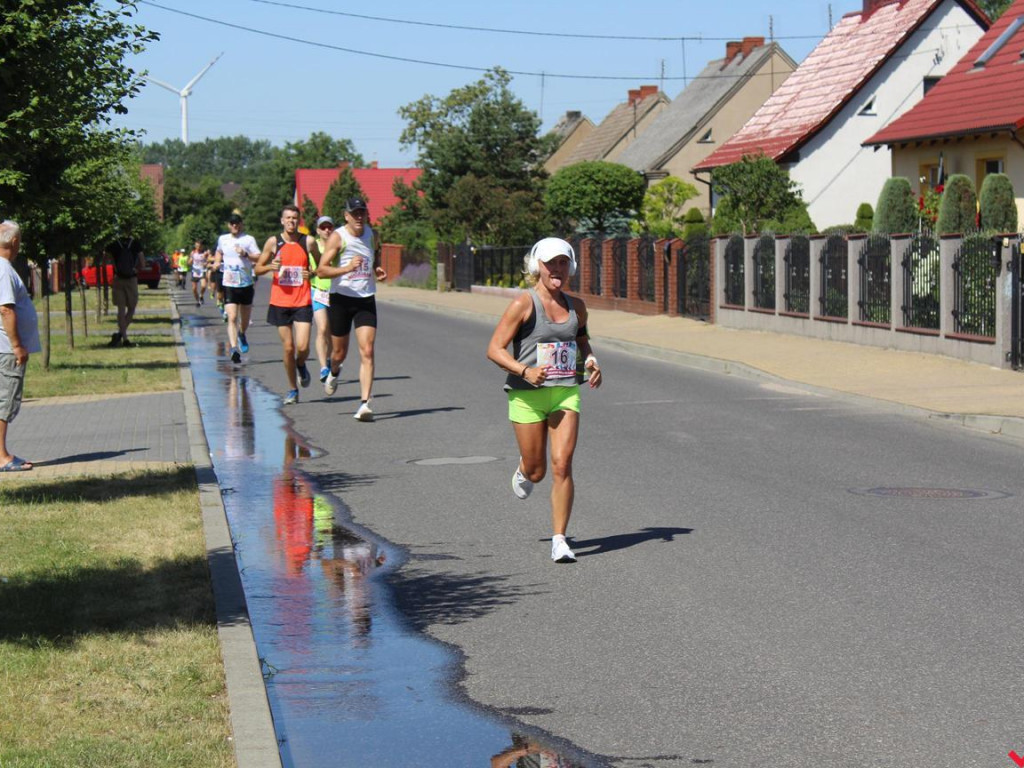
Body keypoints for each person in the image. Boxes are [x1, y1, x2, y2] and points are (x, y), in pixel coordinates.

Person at [486, 237, 602, 564]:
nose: (557, 269)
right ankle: (524, 469)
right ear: (538, 265)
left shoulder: (576, 306)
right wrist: (524, 370)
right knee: (537, 471)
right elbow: (493, 348)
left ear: (571, 267)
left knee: (562, 465)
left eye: (563, 263)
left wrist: (592, 362)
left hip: (565, 392)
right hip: (527, 397)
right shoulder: (523, 304)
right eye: (551, 263)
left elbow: (582, 341)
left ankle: (560, 539)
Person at [316, 198, 388, 421]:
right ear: (346, 216)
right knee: (339, 353)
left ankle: (365, 404)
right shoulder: (338, 237)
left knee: (367, 350)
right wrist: (347, 268)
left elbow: (375, 253)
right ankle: (334, 371)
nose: (359, 217)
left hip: (365, 299)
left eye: (362, 213)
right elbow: (321, 270)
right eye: (354, 213)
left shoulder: (372, 234)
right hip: (341, 299)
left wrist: (376, 268)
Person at [254, 204, 318, 405]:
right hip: (280, 301)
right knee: (289, 347)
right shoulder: (273, 242)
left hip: (302, 300)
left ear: (299, 221)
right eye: (287, 218)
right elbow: (256, 269)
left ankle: (301, 364)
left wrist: (313, 273)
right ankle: (292, 389)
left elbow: (322, 264)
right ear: (282, 221)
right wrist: (269, 267)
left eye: (294, 218)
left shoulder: (307, 242)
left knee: (303, 346)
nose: (291, 221)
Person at [0, 221, 40, 471]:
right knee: (5, 400)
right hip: (6, 349)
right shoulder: (4, 270)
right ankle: (2, 457)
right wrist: (17, 346)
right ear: (14, 242)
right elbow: (5, 308)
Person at [212, 212, 261, 364]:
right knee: (232, 317)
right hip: (229, 284)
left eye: (237, 223)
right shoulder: (223, 239)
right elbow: (219, 251)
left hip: (246, 283)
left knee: (244, 319)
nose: (234, 225)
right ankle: (233, 348)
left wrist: (245, 254)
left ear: (241, 224)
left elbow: (259, 256)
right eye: (232, 223)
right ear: (229, 225)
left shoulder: (248, 239)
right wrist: (216, 262)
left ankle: (242, 333)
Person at [105, 229, 146, 348]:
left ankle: (123, 337)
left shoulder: (113, 244)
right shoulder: (135, 243)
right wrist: (135, 269)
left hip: (118, 278)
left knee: (120, 310)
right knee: (131, 308)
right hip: (131, 279)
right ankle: (122, 337)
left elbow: (105, 260)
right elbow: (143, 263)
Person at [310, 216, 335, 383]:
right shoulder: (313, 246)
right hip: (317, 290)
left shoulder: (339, 246)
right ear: (318, 230)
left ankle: (329, 359)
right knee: (322, 328)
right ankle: (323, 367)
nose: (326, 230)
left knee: (332, 333)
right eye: (323, 227)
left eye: (329, 227)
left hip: (335, 292)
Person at [189, 239, 209, 307]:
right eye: (196, 246)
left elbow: (208, 261)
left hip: (202, 270)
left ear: (202, 246)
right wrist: (189, 262)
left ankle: (201, 295)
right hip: (195, 271)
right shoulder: (193, 253)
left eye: (199, 246)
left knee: (203, 285)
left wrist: (206, 263)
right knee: (194, 289)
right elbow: (190, 261)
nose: (198, 247)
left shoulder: (205, 253)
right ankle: (198, 301)